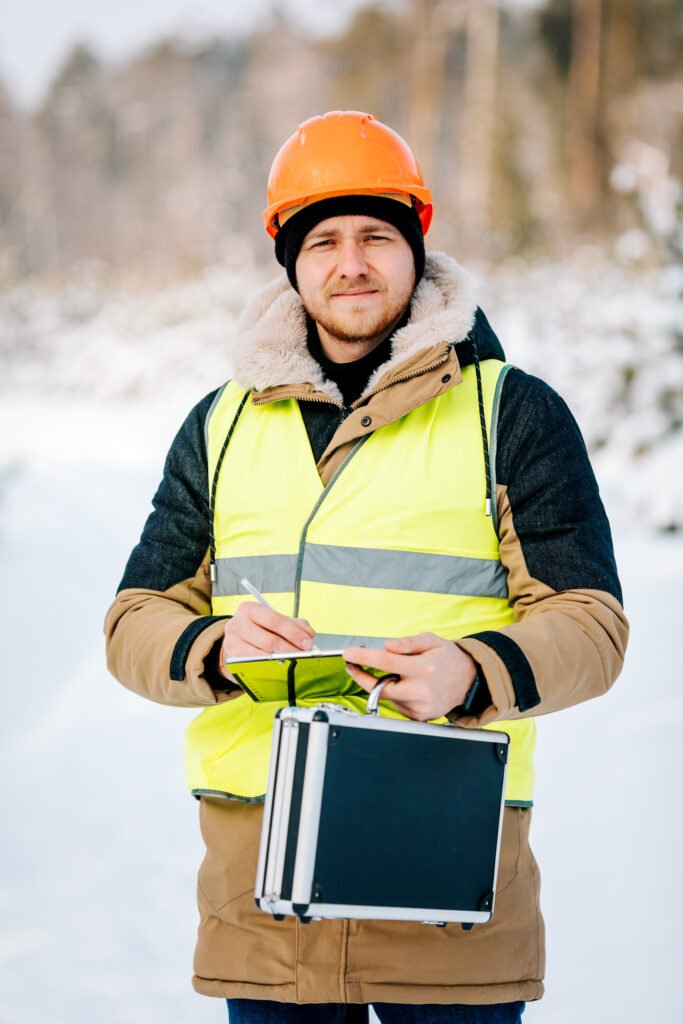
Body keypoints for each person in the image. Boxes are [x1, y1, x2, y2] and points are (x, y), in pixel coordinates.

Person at [105, 111, 628, 1023]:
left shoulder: (510, 411)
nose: (351, 262)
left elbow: (590, 620)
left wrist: (475, 669)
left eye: (377, 235)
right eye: (325, 240)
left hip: (446, 888)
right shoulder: (220, 425)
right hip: (263, 901)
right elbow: (135, 617)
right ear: (291, 260)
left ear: (415, 248)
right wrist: (215, 644)